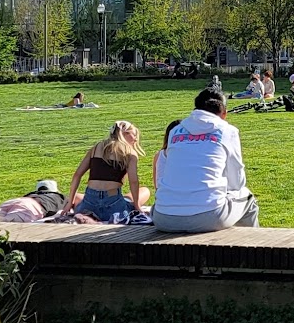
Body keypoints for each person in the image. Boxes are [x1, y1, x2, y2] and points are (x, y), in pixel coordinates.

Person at [152, 88, 258, 232]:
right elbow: (237, 182)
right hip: (209, 216)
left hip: (163, 217)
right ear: (224, 113)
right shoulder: (228, 131)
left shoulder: (175, 131)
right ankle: (249, 249)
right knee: (248, 199)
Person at [65, 121, 149, 221]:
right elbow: (133, 181)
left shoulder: (96, 147)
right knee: (145, 191)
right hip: (114, 206)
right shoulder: (129, 153)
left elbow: (77, 175)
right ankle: (128, 201)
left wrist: (70, 203)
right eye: (134, 135)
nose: (135, 139)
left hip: (90, 204)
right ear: (124, 133)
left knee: (78, 197)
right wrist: (137, 205)